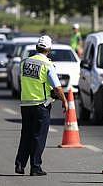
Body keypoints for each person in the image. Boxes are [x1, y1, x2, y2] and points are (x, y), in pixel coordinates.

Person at [15, 35, 68, 176]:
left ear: (36, 47)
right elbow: (57, 88)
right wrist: (64, 101)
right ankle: (35, 167)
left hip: (25, 104)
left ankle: (20, 164)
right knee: (38, 137)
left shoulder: (25, 62)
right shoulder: (47, 65)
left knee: (26, 135)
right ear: (49, 49)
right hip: (40, 105)